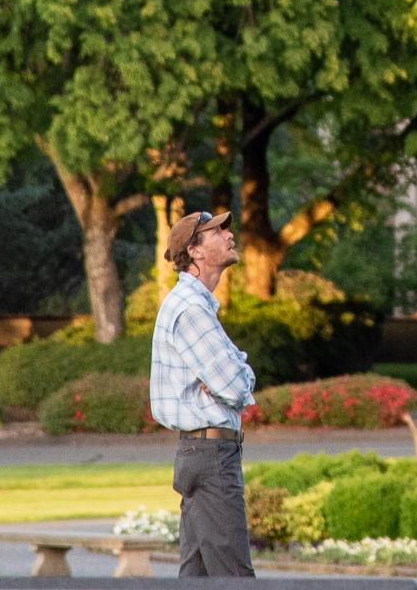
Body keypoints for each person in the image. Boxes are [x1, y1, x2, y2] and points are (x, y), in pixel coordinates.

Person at [149, 210, 257, 576]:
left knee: (196, 579)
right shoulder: (192, 309)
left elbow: (232, 377)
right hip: (212, 457)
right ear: (195, 251)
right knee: (235, 578)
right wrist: (239, 374)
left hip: (200, 452)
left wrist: (236, 372)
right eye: (217, 232)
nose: (229, 236)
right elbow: (236, 384)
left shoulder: (195, 306)